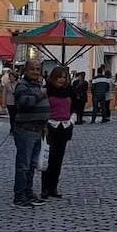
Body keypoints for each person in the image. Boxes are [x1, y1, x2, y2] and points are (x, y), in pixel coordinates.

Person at [12, 60, 49, 207]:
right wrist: (41, 94)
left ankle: (28, 192)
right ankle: (19, 196)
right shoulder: (22, 85)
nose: (35, 71)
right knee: (23, 165)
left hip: (37, 129)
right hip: (26, 129)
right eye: (32, 69)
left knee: (32, 164)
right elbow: (25, 102)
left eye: (38, 69)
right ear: (25, 70)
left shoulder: (36, 85)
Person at [42, 67, 75, 199]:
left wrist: (71, 119)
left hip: (64, 127)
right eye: (60, 77)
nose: (62, 80)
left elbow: (74, 107)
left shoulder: (69, 91)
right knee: (49, 158)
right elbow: (43, 108)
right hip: (50, 126)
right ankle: (45, 188)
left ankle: (53, 187)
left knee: (58, 159)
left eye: (64, 77)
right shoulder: (47, 90)